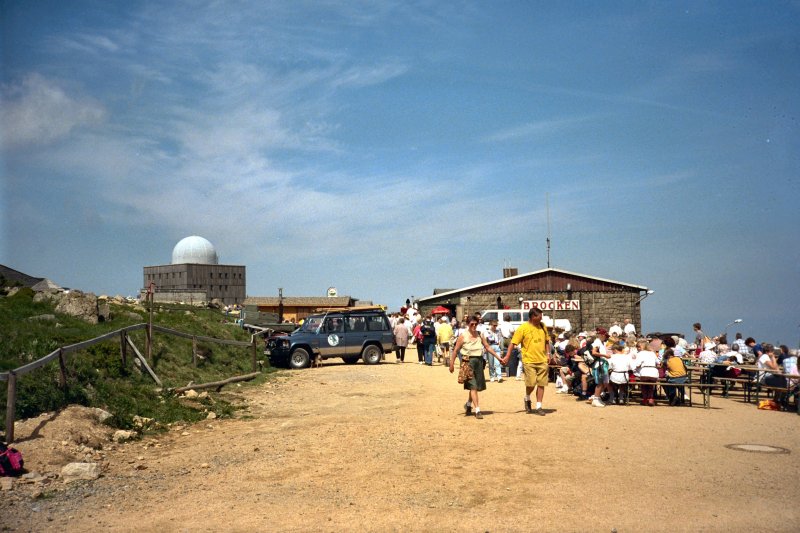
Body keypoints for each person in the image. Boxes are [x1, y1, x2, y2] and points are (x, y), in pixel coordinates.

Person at [449, 317, 502, 419]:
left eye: (475, 324)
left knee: (475, 386)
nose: (474, 326)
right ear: (468, 324)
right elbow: (456, 350)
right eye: (472, 324)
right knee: (473, 386)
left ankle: (468, 404)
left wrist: (498, 358)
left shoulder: (480, 335)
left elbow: (487, 347)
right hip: (467, 363)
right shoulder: (463, 336)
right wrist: (451, 364)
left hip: (479, 362)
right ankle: (477, 410)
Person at [502, 308, 550, 415]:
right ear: (533, 317)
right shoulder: (522, 328)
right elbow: (513, 343)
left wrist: (548, 354)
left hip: (542, 360)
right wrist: (507, 356)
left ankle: (539, 406)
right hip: (529, 360)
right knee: (531, 384)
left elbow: (547, 341)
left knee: (541, 384)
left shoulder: (543, 326)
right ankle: (527, 398)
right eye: (539, 317)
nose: (540, 320)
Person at [631, 340, 659, 406]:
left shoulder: (641, 353)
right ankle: (651, 398)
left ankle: (645, 399)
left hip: (644, 372)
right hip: (653, 372)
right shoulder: (652, 353)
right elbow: (658, 363)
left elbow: (637, 364)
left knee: (644, 386)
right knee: (651, 386)